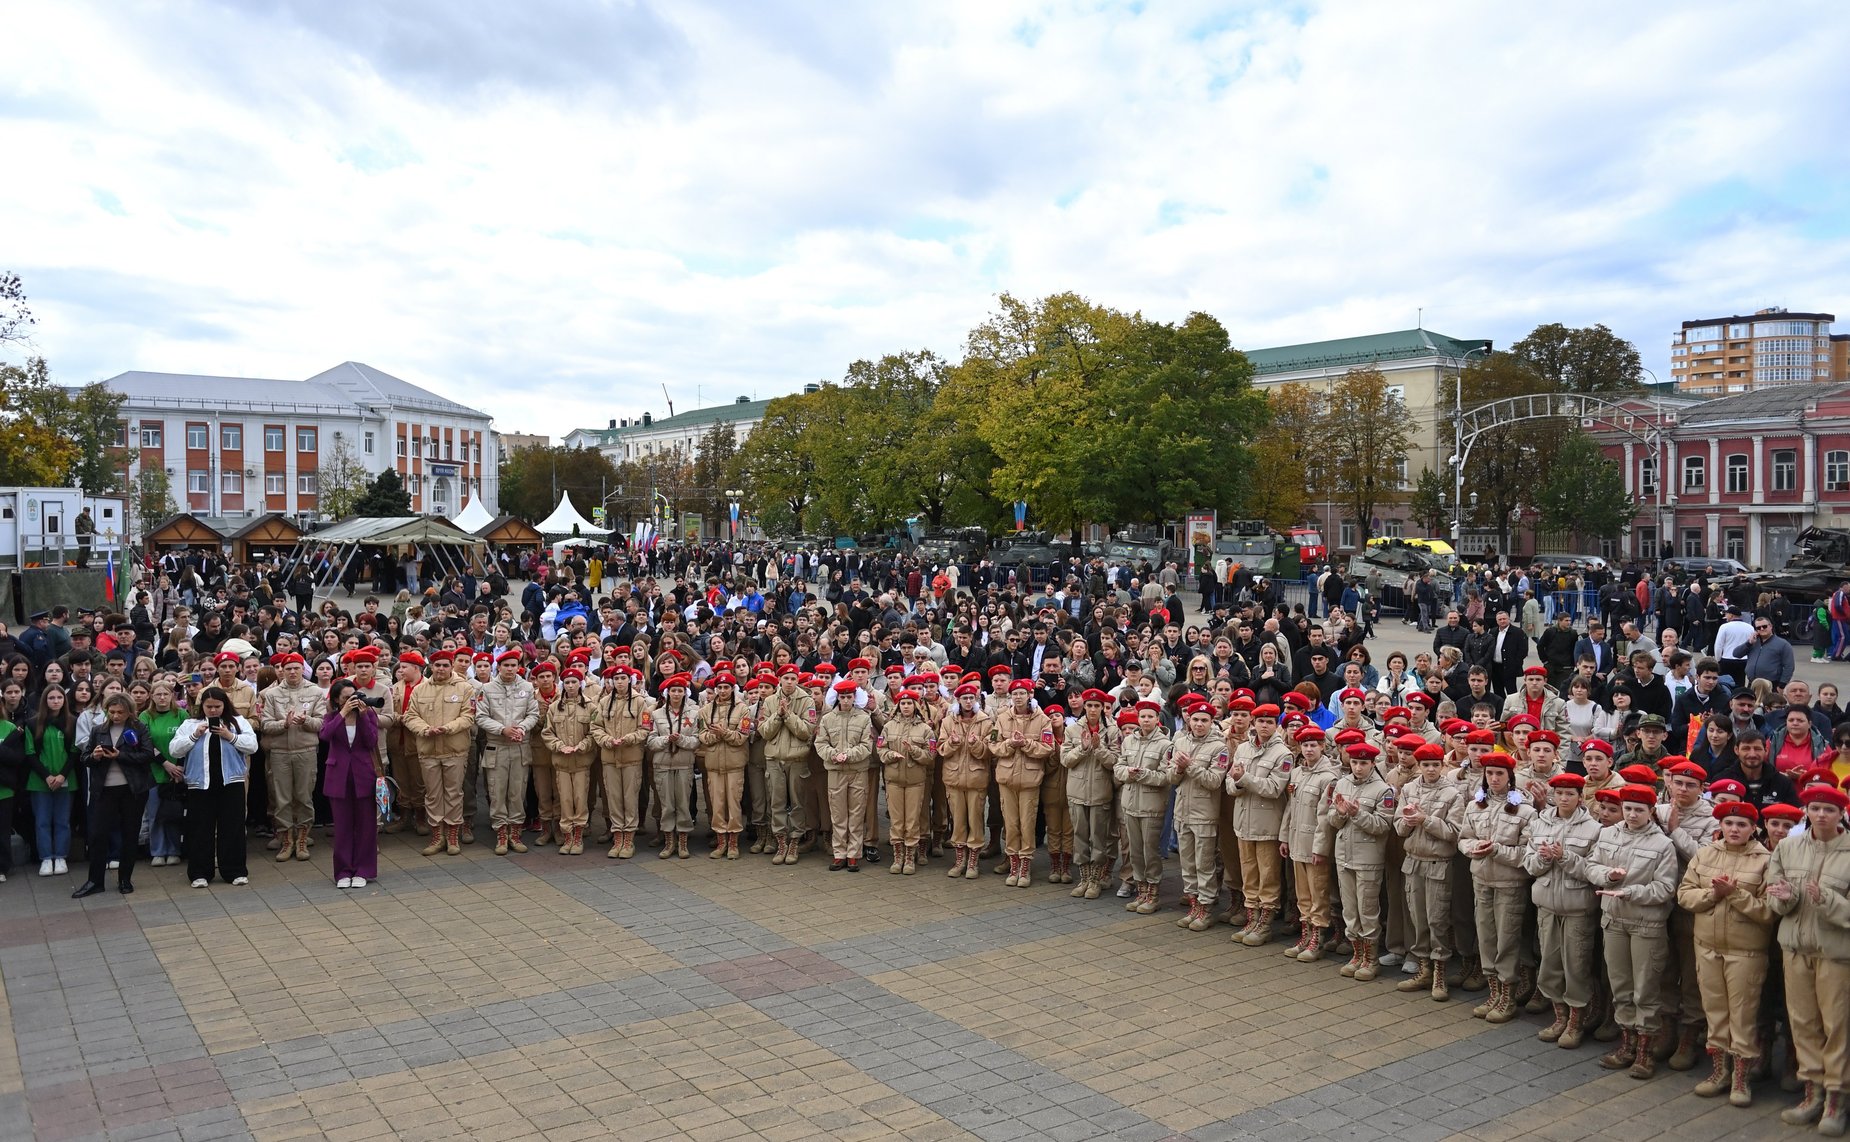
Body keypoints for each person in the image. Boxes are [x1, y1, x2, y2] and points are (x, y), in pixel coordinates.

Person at [1675, 799, 1775, 1106]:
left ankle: (1741, 1079)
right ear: (1721, 826)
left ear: (1753, 829)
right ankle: (1719, 1072)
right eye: (1729, 823)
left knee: (1742, 1016)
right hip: (1707, 947)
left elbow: (1769, 912)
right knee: (1715, 1011)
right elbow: (1684, 895)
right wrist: (1712, 894)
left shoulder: (1766, 861)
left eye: (1742, 824)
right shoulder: (1705, 853)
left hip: (1745, 952)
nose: (1734, 829)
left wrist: (1735, 896)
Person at [1580, 783, 1680, 1078]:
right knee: (1620, 984)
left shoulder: (1662, 844)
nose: (1633, 814)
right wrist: (1607, 876)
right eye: (1628, 808)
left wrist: (1632, 892)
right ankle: (1627, 1045)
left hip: (1646, 923)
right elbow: (1591, 866)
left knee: (1646, 988)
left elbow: (1665, 888)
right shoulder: (1608, 834)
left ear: (1651, 811)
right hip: (1613, 920)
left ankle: (1645, 1052)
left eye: (1640, 809)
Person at [1766, 784, 1850, 1131]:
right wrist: (1785, 897)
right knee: (1802, 1024)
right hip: (1795, 948)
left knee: (1837, 1027)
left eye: (1829, 810)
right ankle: (1811, 1093)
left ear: (1841, 814)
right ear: (1806, 811)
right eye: (1815, 808)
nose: (1821, 815)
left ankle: (1836, 1101)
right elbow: (1775, 896)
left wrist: (1827, 900)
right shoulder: (1787, 847)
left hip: (1835, 955)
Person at [1524, 772, 1604, 1048]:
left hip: (1577, 907)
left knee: (1576, 965)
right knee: (1550, 962)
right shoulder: (1540, 821)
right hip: (1547, 903)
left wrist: (1565, 857)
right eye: (1559, 793)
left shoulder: (1593, 829)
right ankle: (1559, 1017)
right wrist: (1543, 859)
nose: (1564, 798)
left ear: (1581, 797)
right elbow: (1529, 866)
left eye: (1570, 793)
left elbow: (1593, 872)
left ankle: (1575, 1022)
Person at [1461, 752, 1537, 1023]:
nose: (1494, 779)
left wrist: (1498, 851)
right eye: (1489, 773)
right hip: (1481, 878)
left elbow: (1529, 853)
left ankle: (1508, 996)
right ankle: (1493, 992)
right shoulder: (1475, 806)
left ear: (1510, 777)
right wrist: (1473, 848)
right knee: (1486, 936)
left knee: (1507, 939)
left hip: (1510, 883)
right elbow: (1464, 837)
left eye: (1499, 774)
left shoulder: (1525, 810)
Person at [1395, 740, 1465, 1000]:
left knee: (1437, 919)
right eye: (1426, 765)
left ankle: (1439, 974)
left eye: (1436, 765)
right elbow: (1398, 827)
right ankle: (1423, 969)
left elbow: (1455, 833)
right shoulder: (1409, 789)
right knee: (1418, 919)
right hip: (1413, 860)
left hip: (1439, 863)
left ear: (1442, 765)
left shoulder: (1453, 794)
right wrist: (1408, 821)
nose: (1431, 769)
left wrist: (1427, 820)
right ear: (1419, 765)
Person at [72, 694, 157, 897]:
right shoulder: (98, 730)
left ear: (129, 712)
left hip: (132, 790)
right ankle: (95, 880)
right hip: (104, 790)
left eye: (120, 712)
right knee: (97, 835)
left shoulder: (139, 729)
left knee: (129, 834)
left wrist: (121, 756)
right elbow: (84, 758)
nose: (116, 716)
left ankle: (125, 879)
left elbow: (147, 755)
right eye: (112, 712)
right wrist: (95, 756)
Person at [1326, 742, 1393, 980]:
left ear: (1373, 764)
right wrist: (1341, 813)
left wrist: (1357, 814)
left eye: (1364, 763)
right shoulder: (1342, 783)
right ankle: (1356, 954)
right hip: (1344, 853)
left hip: (1368, 857)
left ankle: (1371, 959)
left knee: (1367, 910)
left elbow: (1383, 826)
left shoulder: (1383, 790)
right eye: (1354, 762)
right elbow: (1332, 820)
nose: (1358, 767)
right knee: (1350, 908)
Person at [404, 649, 476, 856]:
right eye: (437, 665)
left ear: (451, 666)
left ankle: (453, 836)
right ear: (431, 667)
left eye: (445, 665)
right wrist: (425, 730)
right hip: (428, 750)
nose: (441, 669)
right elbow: (410, 716)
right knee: (433, 795)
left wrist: (447, 728)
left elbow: (468, 716)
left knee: (454, 793)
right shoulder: (420, 689)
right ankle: (437, 836)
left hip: (455, 749)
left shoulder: (465, 688)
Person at [1280, 725, 1342, 964]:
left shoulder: (1329, 778)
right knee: (1303, 894)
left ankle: (1317, 938)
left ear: (1322, 747)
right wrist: (1284, 837)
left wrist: (1320, 848)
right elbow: (1290, 808)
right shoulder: (1297, 773)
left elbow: (1325, 818)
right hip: (1296, 841)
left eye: (1313, 745)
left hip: (1314, 846)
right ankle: (1305, 935)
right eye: (1304, 745)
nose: (1308, 749)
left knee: (1319, 894)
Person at [258, 651, 326, 862]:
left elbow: (322, 723)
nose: (292, 672)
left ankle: (303, 839)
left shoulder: (315, 692)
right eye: (288, 669)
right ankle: (287, 840)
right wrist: (284, 724)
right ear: (282, 671)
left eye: (296, 668)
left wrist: (305, 720)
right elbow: (265, 724)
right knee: (282, 798)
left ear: (302, 669)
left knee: (304, 797)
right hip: (280, 752)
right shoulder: (271, 694)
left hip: (305, 750)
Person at [319, 679, 379, 889]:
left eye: (354, 696)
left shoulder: (368, 714)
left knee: (366, 825)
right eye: (346, 697)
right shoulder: (331, 717)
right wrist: (343, 713)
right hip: (339, 776)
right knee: (343, 827)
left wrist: (362, 716)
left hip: (363, 775)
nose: (352, 700)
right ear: (337, 699)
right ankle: (343, 871)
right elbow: (325, 736)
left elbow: (371, 741)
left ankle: (364, 869)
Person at [1116, 699, 1174, 914]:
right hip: (1130, 804)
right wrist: (1127, 774)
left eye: (1150, 716)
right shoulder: (1129, 741)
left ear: (1157, 719)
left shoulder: (1165, 744)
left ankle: (1153, 893)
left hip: (1151, 806)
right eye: (1143, 716)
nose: (1146, 720)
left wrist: (1143, 774)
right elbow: (1119, 767)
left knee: (1150, 852)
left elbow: (1166, 776)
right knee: (1136, 853)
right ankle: (1141, 890)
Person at [1061, 689, 1120, 900]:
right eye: (1090, 705)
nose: (1093, 710)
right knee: (1080, 835)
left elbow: (1115, 762)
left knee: (1098, 836)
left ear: (1103, 708)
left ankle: (1095, 879)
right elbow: (1065, 760)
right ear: (1084, 706)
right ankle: (1083, 877)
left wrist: (1099, 749)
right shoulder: (1072, 730)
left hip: (1100, 792)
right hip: (1076, 791)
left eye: (1098, 706)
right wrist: (1083, 749)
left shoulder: (1112, 731)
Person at [817, 678, 875, 871]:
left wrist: (848, 755)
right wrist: (834, 755)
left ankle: (854, 854)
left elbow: (867, 745)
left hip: (857, 771)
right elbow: (820, 743)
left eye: (849, 697)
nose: (846, 701)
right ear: (837, 697)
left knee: (856, 813)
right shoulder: (827, 719)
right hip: (835, 771)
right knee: (838, 814)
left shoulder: (864, 718)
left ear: (854, 697)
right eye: (842, 697)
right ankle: (839, 853)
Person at [939, 681, 992, 880]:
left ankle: (973, 861)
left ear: (976, 700)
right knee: (958, 820)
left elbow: (989, 752)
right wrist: (953, 744)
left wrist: (976, 745)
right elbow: (941, 749)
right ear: (958, 700)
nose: (968, 702)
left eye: (971, 698)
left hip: (977, 778)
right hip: (953, 777)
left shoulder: (985, 722)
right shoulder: (948, 721)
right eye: (964, 699)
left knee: (975, 820)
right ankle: (960, 859)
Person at [540, 667, 596, 854]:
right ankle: (567, 836)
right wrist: (559, 746)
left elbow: (593, 732)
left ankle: (578, 836)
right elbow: (547, 732)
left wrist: (581, 746)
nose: (571, 685)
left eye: (574, 682)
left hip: (581, 762)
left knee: (580, 799)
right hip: (562, 762)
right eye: (567, 682)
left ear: (580, 684)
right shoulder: (555, 707)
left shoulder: (590, 706)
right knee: (565, 800)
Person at [879, 688, 933, 874]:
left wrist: (914, 751)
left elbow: (930, 756)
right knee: (896, 821)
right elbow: (880, 750)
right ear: (898, 706)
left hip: (915, 781)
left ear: (916, 706)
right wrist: (890, 754)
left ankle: (910, 857)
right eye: (903, 703)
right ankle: (898, 856)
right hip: (893, 780)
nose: (906, 706)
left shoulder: (925, 729)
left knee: (912, 820)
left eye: (909, 703)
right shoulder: (888, 727)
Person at [25, 685, 76, 876]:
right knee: (42, 821)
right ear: (44, 700)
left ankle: (61, 856)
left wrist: (62, 774)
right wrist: (46, 776)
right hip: (40, 781)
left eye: (59, 698)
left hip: (65, 778)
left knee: (63, 820)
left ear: (64, 700)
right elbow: (30, 753)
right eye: (51, 698)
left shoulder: (72, 722)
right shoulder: (33, 723)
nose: (56, 701)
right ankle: (46, 858)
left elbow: (74, 752)